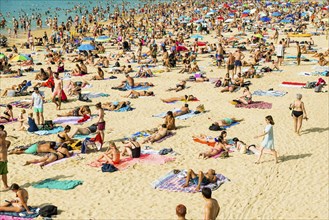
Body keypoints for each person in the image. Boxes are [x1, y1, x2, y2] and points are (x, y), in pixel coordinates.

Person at [0, 125, 10, 189]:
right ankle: (5, 186)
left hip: (2, 160)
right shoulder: (3, 141)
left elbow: (3, 133)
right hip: (3, 160)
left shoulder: (3, 141)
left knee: (4, 174)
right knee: (4, 174)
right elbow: (9, 142)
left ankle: (6, 186)